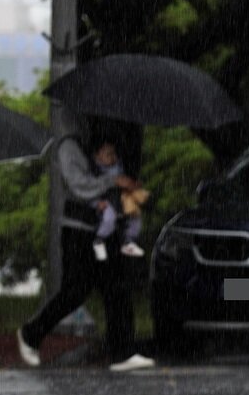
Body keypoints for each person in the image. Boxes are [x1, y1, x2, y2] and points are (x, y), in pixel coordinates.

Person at [17, 132, 155, 371]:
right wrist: (113, 181)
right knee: (76, 290)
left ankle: (123, 351)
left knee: (116, 287)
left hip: (107, 230)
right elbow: (79, 186)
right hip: (79, 231)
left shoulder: (113, 138)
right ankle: (31, 333)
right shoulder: (71, 146)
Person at [90, 140, 149, 261]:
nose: (113, 157)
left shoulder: (118, 166)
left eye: (114, 153)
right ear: (97, 156)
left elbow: (126, 181)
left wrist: (133, 185)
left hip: (122, 198)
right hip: (106, 201)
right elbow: (89, 190)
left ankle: (128, 242)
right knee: (109, 218)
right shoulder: (94, 172)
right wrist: (96, 203)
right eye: (108, 154)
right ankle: (99, 241)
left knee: (135, 216)